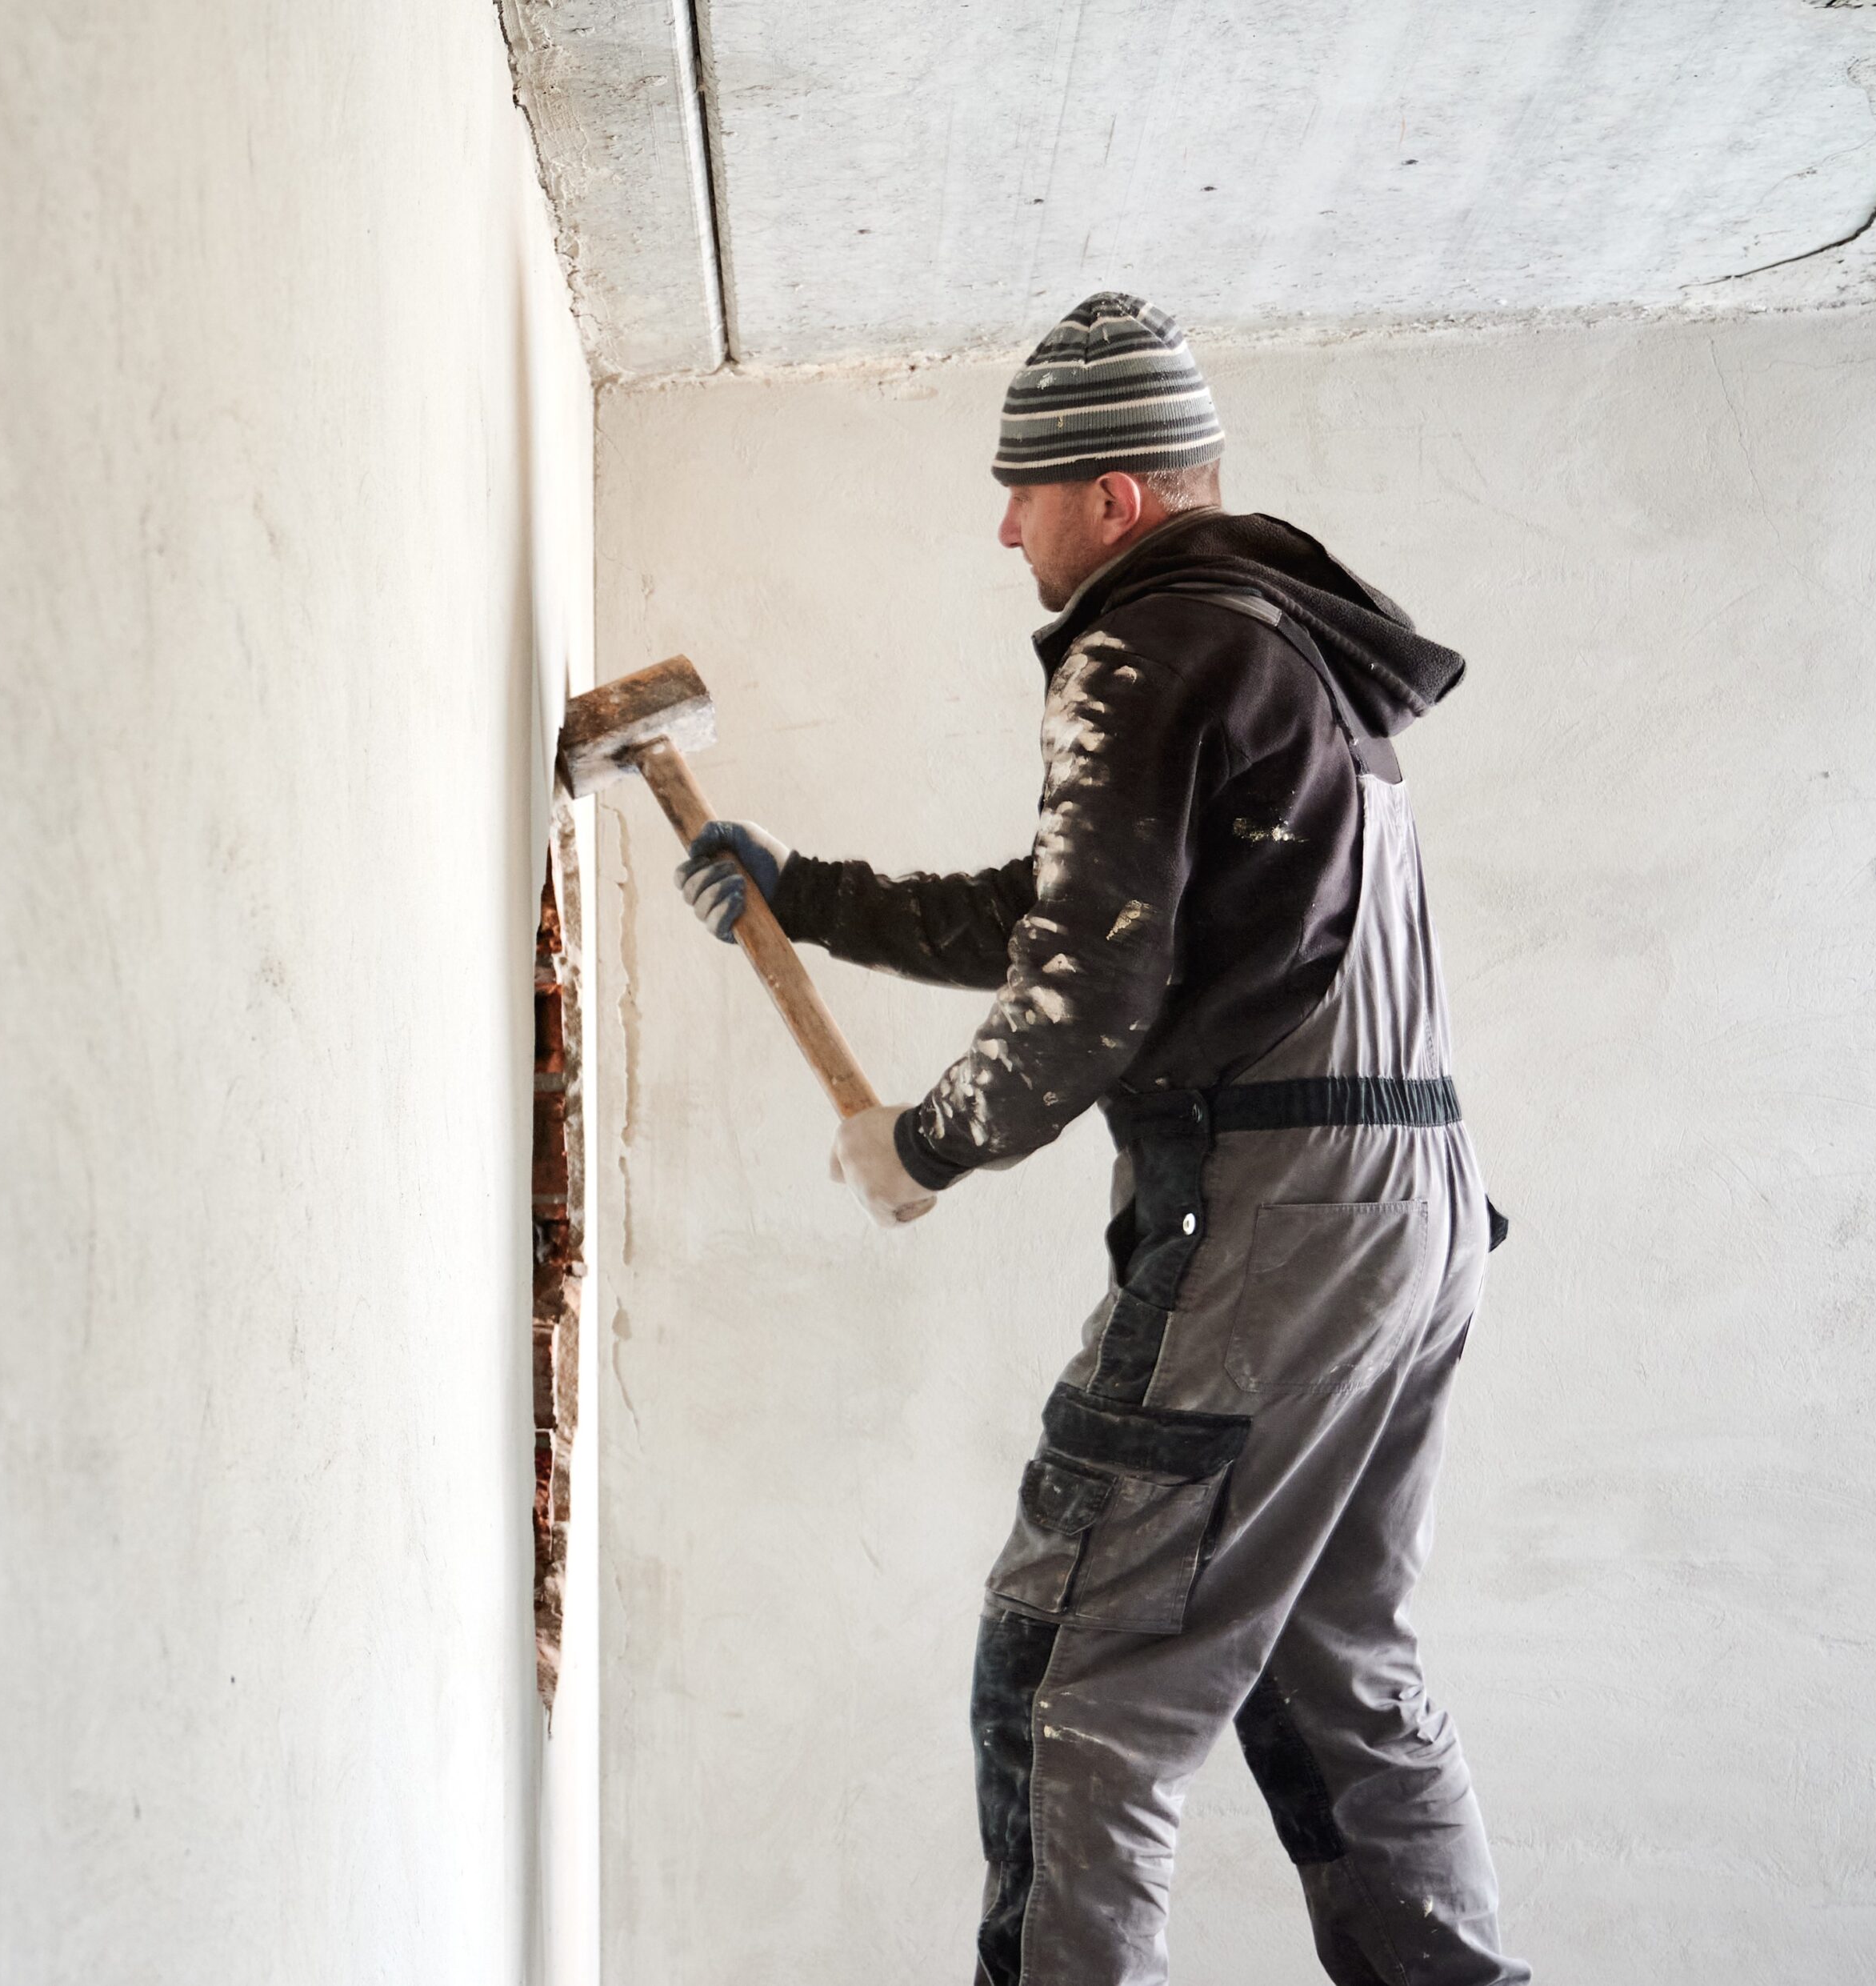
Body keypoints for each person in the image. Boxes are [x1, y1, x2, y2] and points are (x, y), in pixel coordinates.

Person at [672, 292, 1529, 1986]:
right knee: (1328, 1658)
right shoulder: (1289, 652)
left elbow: (1082, 993)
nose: (1006, 525)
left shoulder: (1141, 644)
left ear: (1114, 497)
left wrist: (927, 1137)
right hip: (1409, 1218)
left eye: (1026, 492)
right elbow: (1076, 909)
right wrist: (807, 898)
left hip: (1273, 1223)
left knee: (1076, 1677)